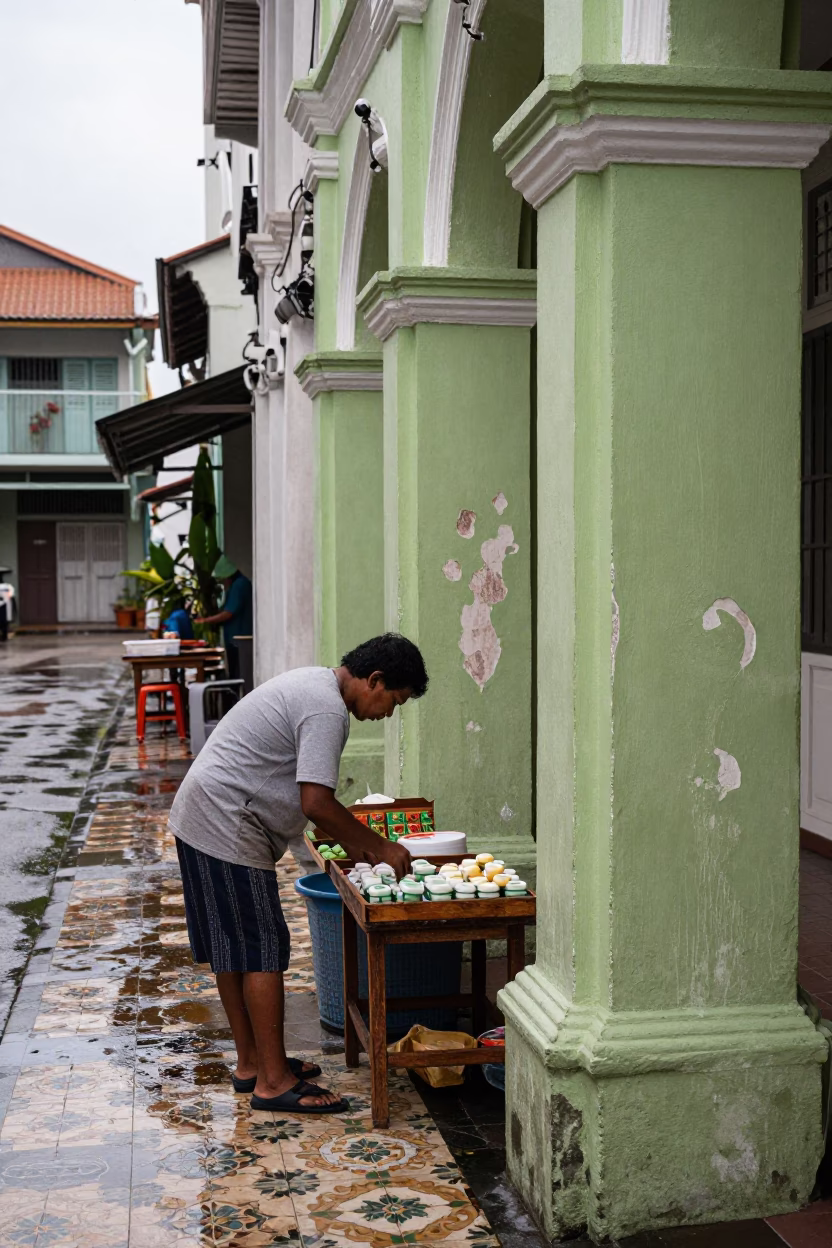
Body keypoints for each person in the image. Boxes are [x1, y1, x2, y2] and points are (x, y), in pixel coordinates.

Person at [168, 633, 429, 1114]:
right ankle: (273, 1082)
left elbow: (313, 803)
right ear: (374, 680)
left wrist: (358, 843)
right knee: (263, 950)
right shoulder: (327, 710)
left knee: (233, 949)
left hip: (202, 814)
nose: (389, 712)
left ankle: (252, 1064)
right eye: (394, 700)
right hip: (227, 822)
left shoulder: (315, 684)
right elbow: (316, 802)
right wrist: (377, 848)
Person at [195, 555, 252, 679]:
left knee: (237, 675)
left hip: (238, 639)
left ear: (228, 577)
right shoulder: (238, 585)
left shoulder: (239, 585)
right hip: (235, 639)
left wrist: (205, 621)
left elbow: (228, 613)